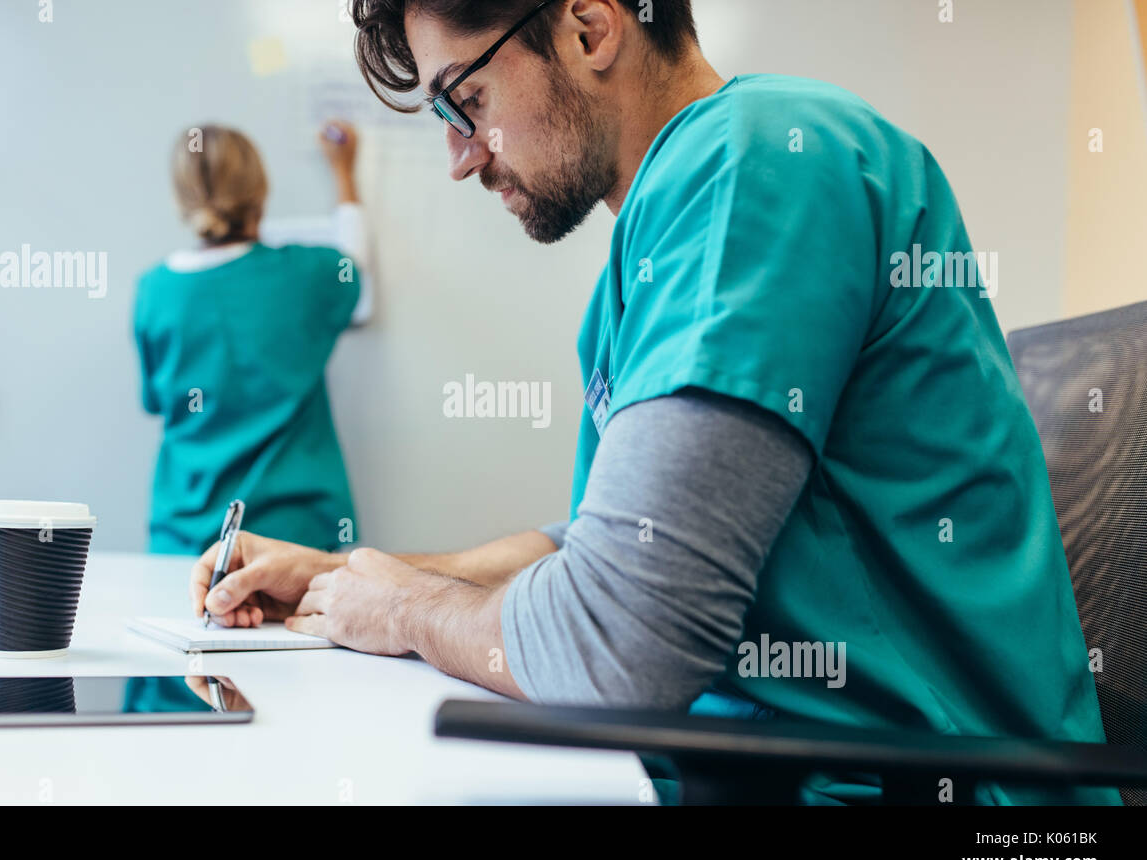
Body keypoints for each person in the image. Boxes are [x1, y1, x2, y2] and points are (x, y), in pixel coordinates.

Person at [187, 1, 1111, 805]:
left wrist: (406, 612)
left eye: (465, 101)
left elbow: (619, 645)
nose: (460, 157)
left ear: (589, 25)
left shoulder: (759, 165)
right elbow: (602, 542)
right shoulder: (673, 223)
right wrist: (351, 578)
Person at [135, 122, 373, 555]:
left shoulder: (155, 291)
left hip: (182, 543)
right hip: (292, 542)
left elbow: (155, 401)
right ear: (260, 193)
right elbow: (355, 266)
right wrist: (343, 172)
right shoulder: (308, 275)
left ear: (181, 200)